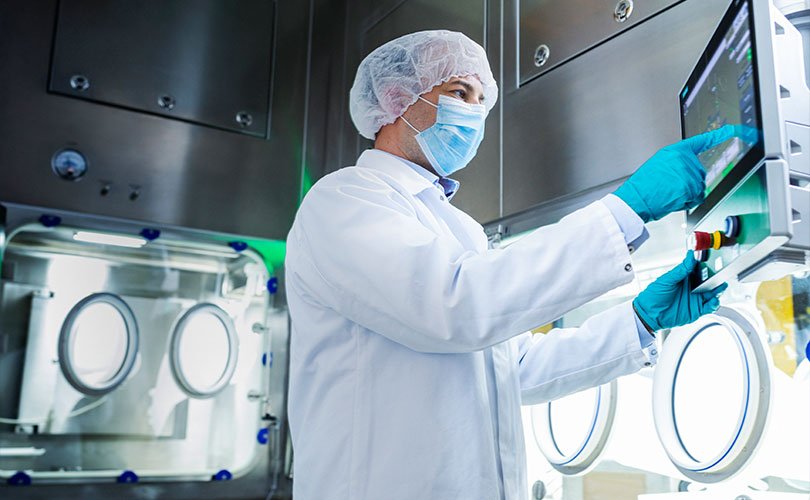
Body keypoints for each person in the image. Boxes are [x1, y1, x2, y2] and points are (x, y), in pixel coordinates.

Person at [285, 30, 731, 500]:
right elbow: (454, 306)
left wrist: (639, 321)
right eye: (459, 93)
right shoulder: (344, 200)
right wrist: (626, 210)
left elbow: (513, 367)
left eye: (481, 101)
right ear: (397, 98)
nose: (474, 113)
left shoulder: (460, 228)